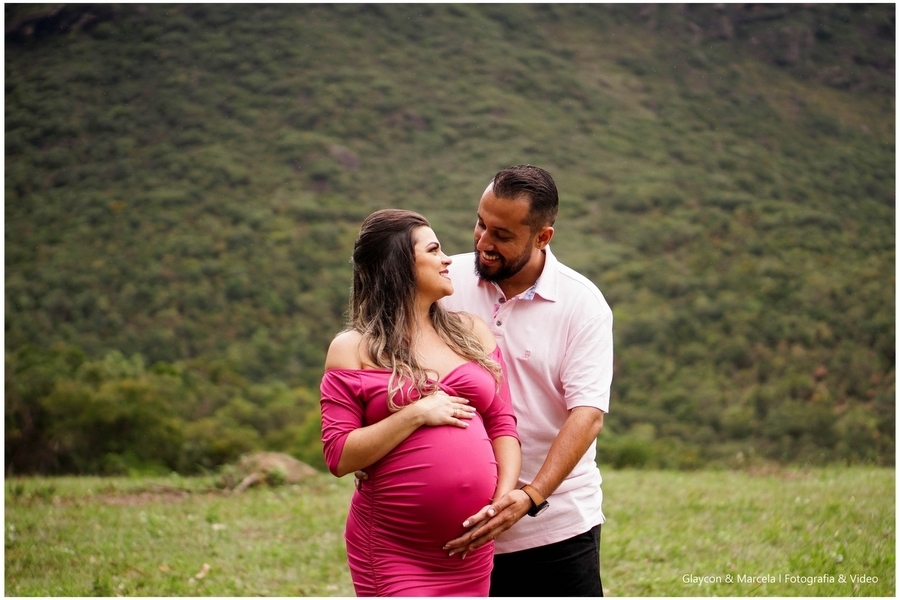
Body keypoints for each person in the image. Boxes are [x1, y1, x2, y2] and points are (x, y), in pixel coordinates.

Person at [319, 209, 521, 597]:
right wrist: (415, 413)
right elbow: (339, 455)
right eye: (434, 249)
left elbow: (502, 424)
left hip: (471, 547)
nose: (449, 259)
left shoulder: (473, 334)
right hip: (393, 551)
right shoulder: (352, 349)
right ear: (400, 266)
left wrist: (499, 504)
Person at [440, 165, 613, 596]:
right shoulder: (443, 281)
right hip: (452, 525)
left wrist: (531, 497)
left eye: (502, 234)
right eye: (480, 224)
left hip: (553, 529)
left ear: (543, 237)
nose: (483, 242)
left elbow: (587, 415)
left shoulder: (583, 305)